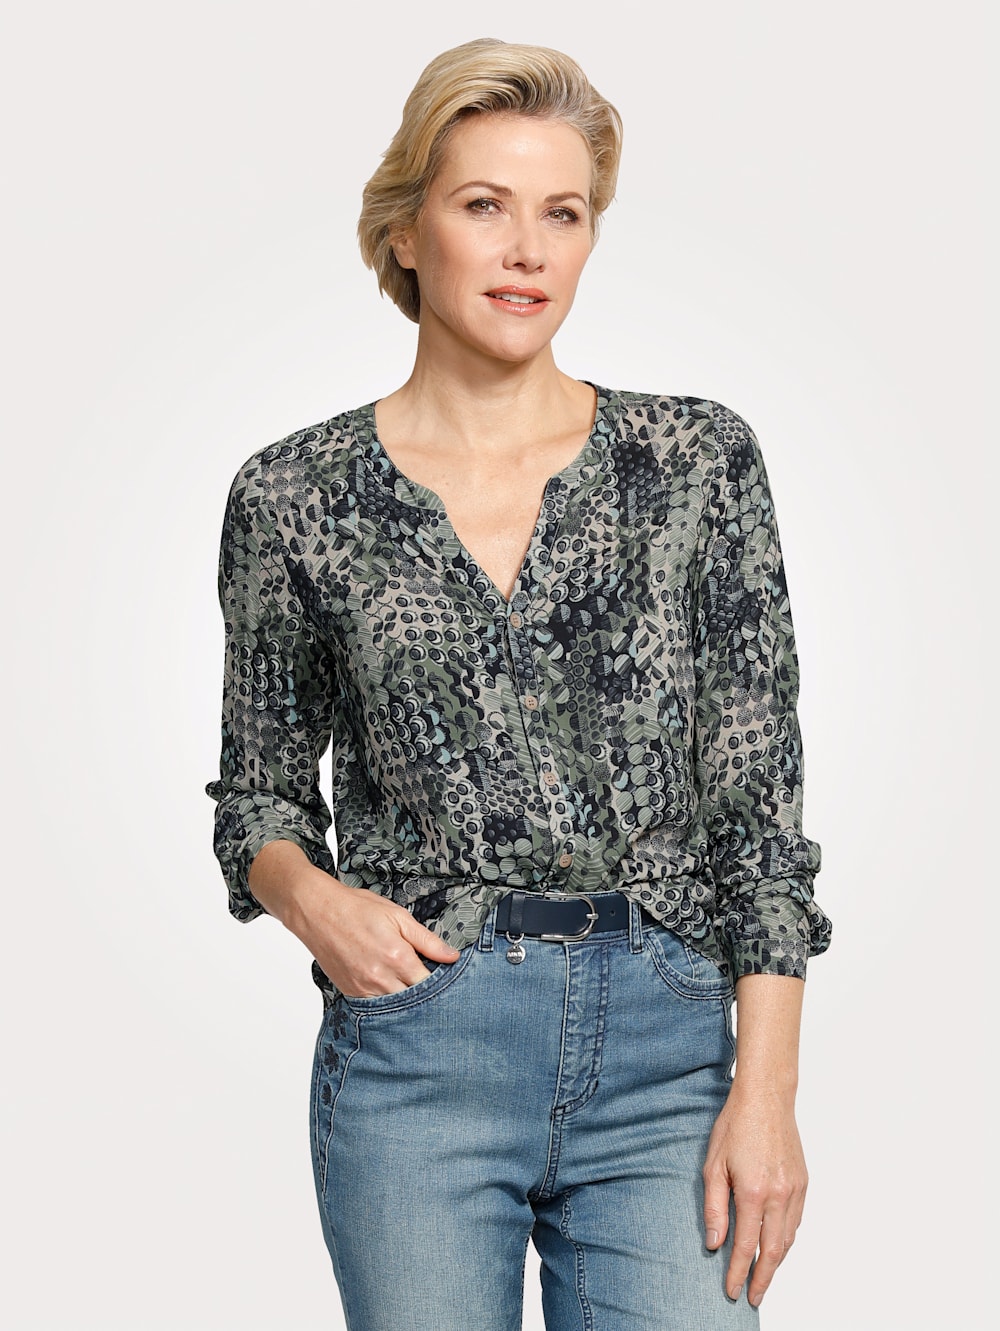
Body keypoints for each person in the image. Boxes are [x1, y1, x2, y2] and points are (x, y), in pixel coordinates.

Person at [206, 37, 831, 1331]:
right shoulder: (295, 497)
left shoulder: (696, 464)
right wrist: (317, 904)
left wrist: (765, 1095)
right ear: (406, 232)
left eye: (564, 214)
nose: (528, 250)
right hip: (422, 1048)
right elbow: (258, 797)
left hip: (667, 1053)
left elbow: (759, 812)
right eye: (485, 205)